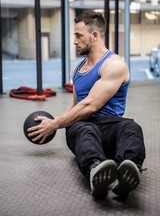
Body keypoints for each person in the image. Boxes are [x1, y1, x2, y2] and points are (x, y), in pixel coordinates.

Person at [28, 11, 146, 200]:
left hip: (111, 126)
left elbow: (91, 105)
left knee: (131, 128)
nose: (75, 41)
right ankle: (95, 171)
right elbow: (76, 105)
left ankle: (128, 170)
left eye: (78, 35)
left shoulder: (114, 65)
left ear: (95, 35)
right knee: (83, 129)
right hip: (84, 128)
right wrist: (51, 123)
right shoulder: (77, 70)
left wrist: (56, 123)